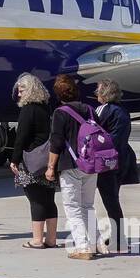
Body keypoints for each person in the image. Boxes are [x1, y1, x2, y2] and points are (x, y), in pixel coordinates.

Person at [45, 74, 100, 260]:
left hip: (71, 164)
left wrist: (51, 166)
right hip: (91, 164)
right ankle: (95, 243)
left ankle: (83, 247)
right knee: (88, 206)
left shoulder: (60, 113)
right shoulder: (91, 110)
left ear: (58, 94)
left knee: (72, 208)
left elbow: (56, 142)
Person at [9, 73, 57, 249]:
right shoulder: (46, 107)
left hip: (32, 159)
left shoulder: (28, 110)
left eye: (22, 90)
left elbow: (21, 137)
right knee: (49, 199)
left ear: (30, 91)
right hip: (47, 158)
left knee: (35, 199)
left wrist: (14, 159)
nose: (19, 94)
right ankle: (51, 239)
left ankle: (37, 239)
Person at [94, 79, 138, 253]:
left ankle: (119, 240)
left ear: (105, 93)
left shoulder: (110, 112)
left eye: (98, 90)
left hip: (110, 161)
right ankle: (118, 238)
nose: (96, 93)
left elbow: (110, 138)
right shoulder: (117, 111)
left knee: (111, 201)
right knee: (112, 200)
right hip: (119, 158)